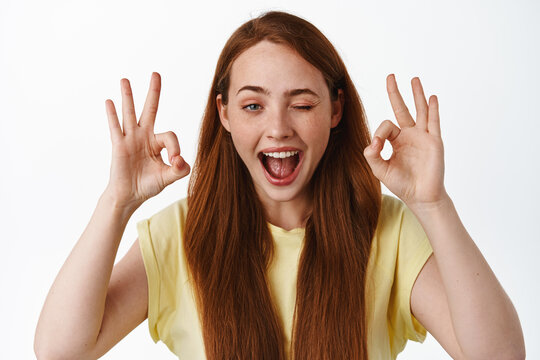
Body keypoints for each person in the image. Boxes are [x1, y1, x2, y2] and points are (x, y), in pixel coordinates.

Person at [34, 10, 525, 360]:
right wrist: (116, 203)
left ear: (335, 110)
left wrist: (434, 205)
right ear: (224, 113)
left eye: (303, 104)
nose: (278, 128)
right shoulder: (181, 236)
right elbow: (59, 350)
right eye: (253, 105)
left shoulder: (388, 232)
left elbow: (501, 355)